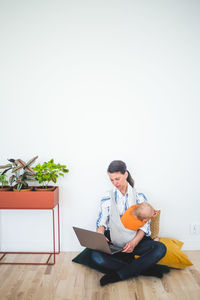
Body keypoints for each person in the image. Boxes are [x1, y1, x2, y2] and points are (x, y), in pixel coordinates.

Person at [91, 160, 168, 286]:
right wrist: (100, 234)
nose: (115, 183)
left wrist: (133, 243)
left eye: (117, 178)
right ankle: (143, 268)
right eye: (111, 180)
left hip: (135, 239)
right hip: (114, 240)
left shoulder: (139, 197)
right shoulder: (107, 196)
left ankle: (119, 274)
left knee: (160, 248)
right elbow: (101, 222)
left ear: (125, 174)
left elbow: (144, 226)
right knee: (96, 256)